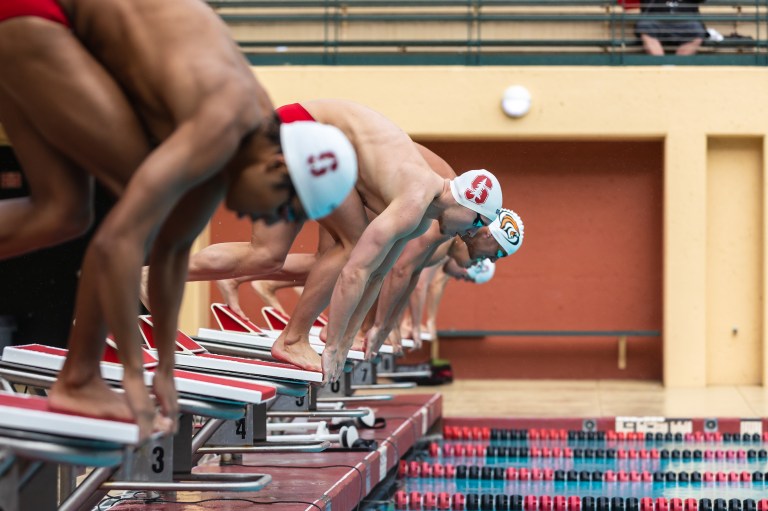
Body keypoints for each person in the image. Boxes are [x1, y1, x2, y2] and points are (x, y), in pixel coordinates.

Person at [0, 0, 356, 440]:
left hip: (43, 24)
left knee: (60, 212)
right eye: (284, 210)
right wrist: (134, 375)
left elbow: (170, 251)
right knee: (124, 206)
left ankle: (81, 377)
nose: (266, 219)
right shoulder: (222, 122)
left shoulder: (242, 139)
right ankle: (79, 379)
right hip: (38, 14)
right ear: (278, 168)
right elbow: (118, 242)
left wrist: (163, 369)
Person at [176, 100, 503, 380]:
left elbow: (378, 274)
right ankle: (292, 339)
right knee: (351, 247)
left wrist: (355, 336)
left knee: (265, 255)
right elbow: (359, 272)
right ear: (465, 202)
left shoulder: (422, 219)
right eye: (477, 222)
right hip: (299, 130)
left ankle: (154, 274)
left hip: (295, 135)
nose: (472, 232)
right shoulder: (416, 198)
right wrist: (335, 345)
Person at [635, 0, 707, 55]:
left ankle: (676, 67)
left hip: (685, 20)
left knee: (697, 30)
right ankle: (662, 66)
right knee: (645, 26)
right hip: (656, 19)